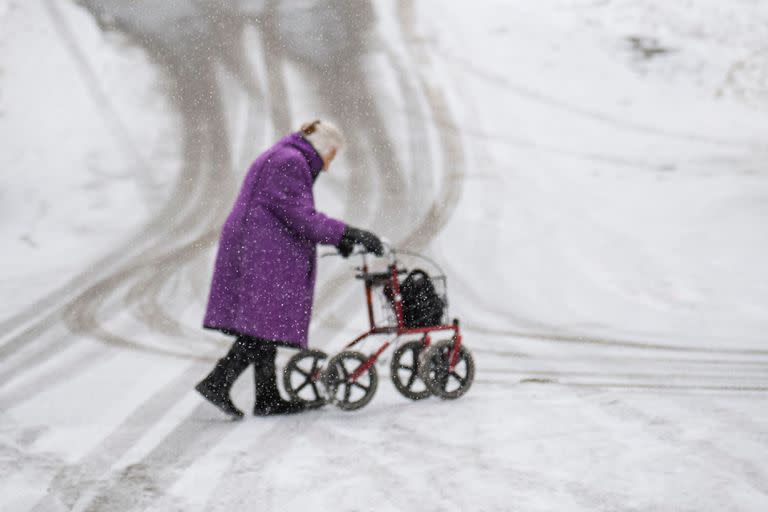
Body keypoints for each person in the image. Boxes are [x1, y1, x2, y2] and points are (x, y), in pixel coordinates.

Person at [195, 120, 384, 419]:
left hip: (259, 244)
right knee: (261, 325)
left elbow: (289, 213)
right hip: (262, 248)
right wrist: (349, 233)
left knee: (264, 322)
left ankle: (267, 397)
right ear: (323, 148)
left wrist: (340, 238)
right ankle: (219, 381)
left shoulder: (282, 155)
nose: (329, 166)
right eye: (331, 156)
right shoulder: (290, 162)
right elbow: (301, 217)